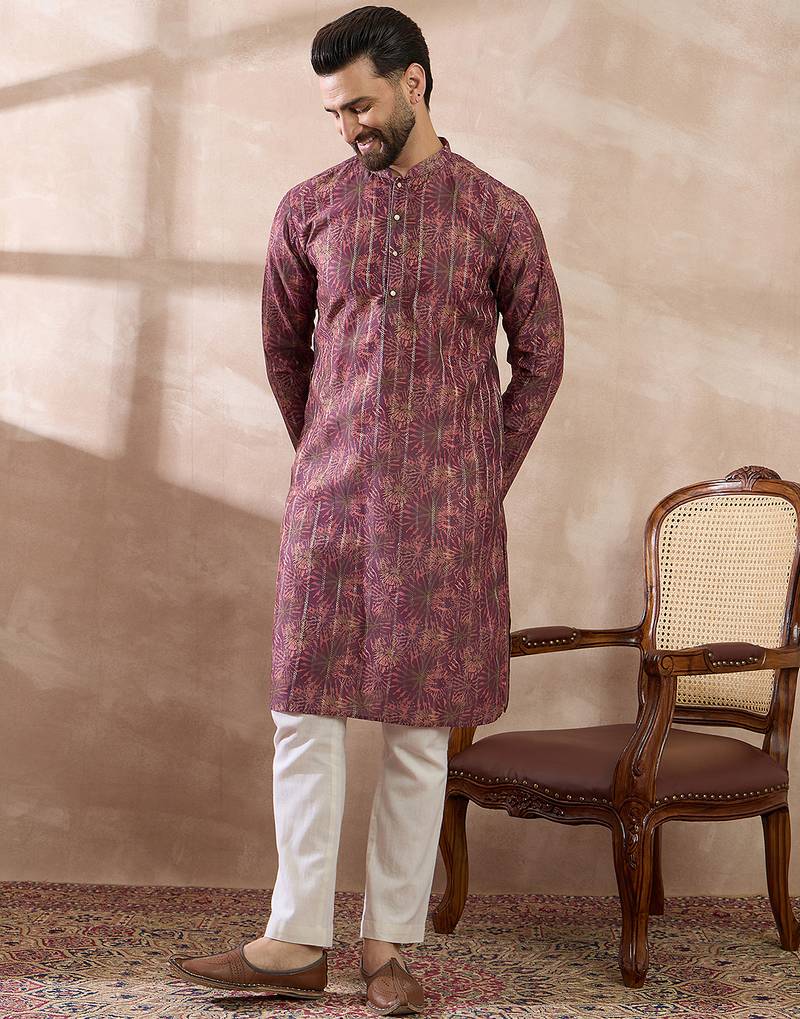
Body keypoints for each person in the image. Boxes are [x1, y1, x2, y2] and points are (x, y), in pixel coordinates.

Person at [168, 5, 564, 1013]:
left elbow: (541, 356)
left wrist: (476, 474)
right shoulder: (308, 208)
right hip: (331, 507)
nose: (347, 126)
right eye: (334, 112)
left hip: (445, 519)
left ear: (414, 83)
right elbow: (283, 348)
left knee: (418, 731)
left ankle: (388, 944)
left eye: (359, 105)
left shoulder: (496, 213)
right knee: (302, 714)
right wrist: (329, 452)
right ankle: (294, 937)